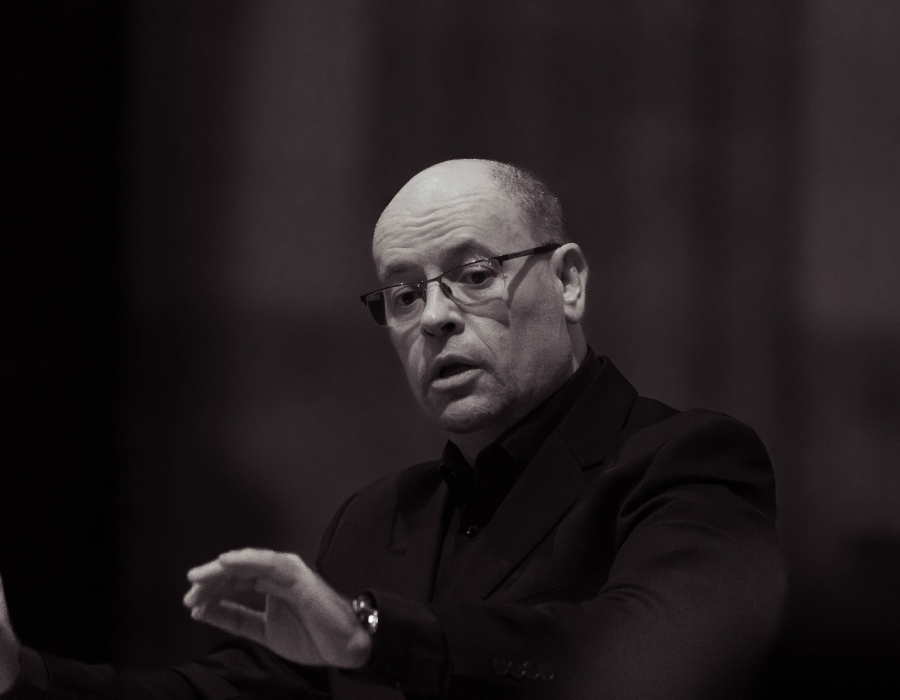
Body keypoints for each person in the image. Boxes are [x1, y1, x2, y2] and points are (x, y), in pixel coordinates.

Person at [0, 159, 786, 699]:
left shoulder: (688, 459)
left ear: (569, 281)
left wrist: (374, 633)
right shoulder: (377, 519)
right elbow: (241, 691)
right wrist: (25, 677)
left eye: (474, 275)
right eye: (404, 295)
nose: (435, 317)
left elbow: (649, 649)